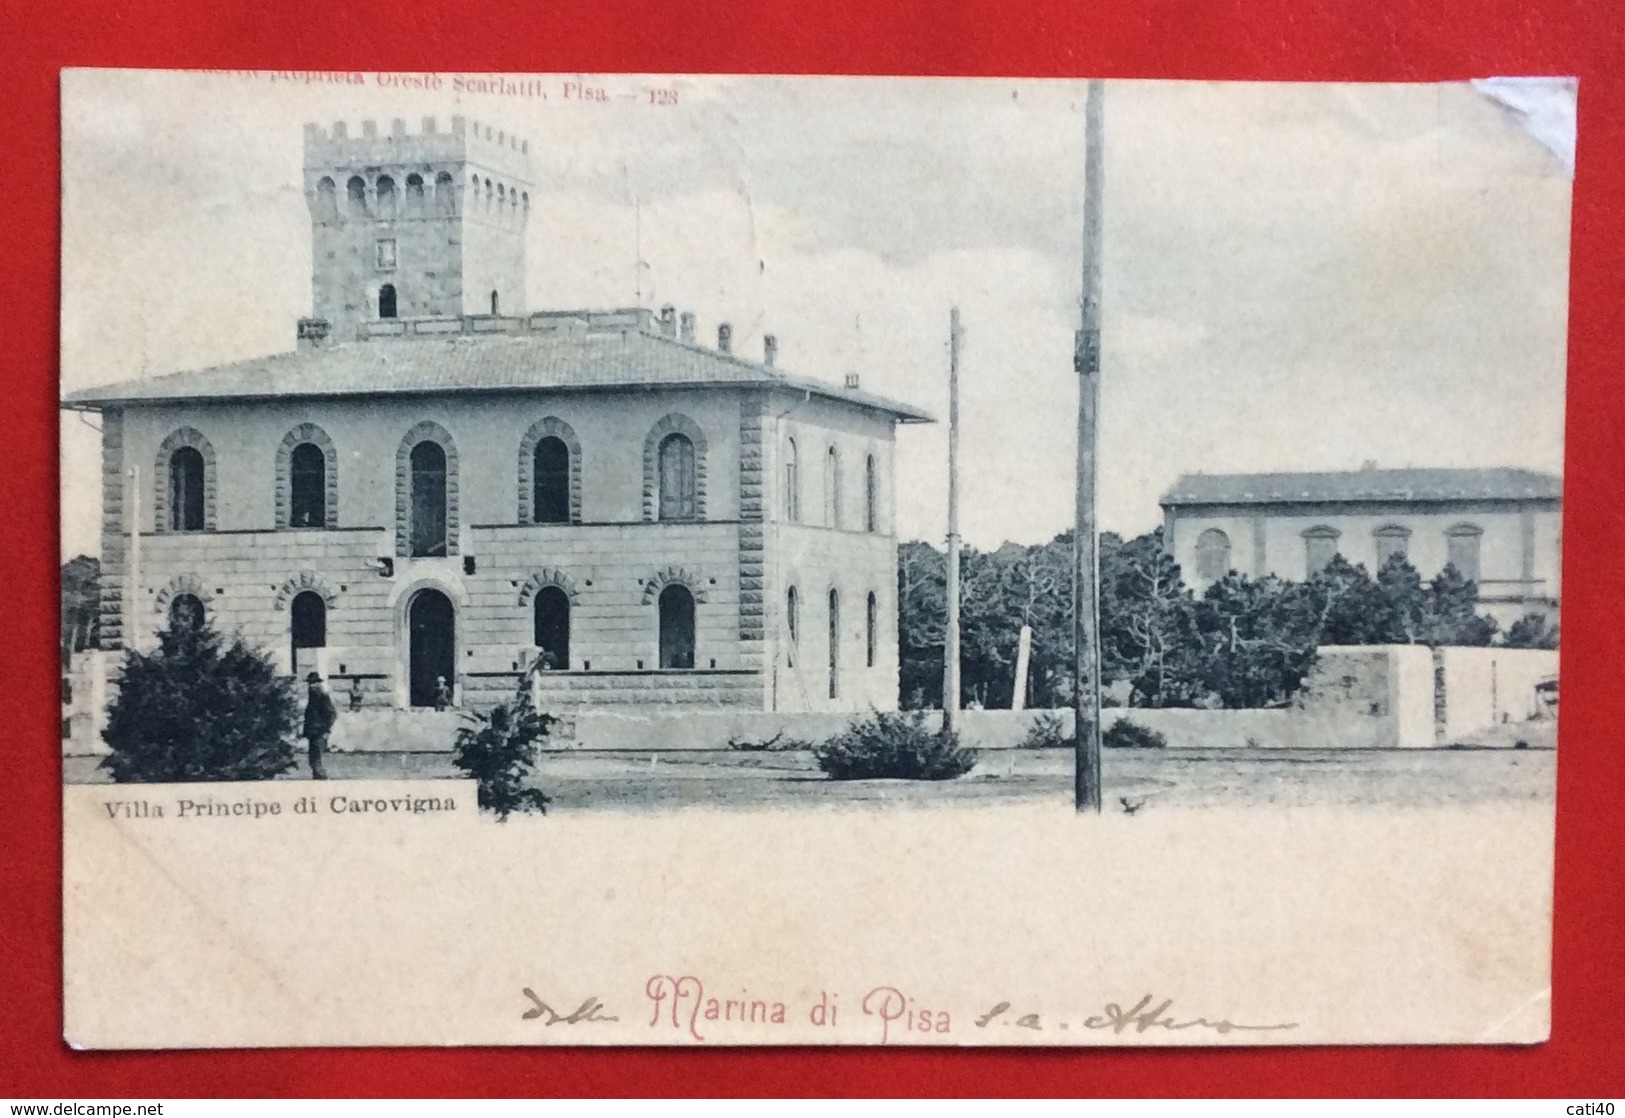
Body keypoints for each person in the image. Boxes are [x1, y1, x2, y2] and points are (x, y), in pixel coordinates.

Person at [303, 671, 337, 780]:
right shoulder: (313, 698)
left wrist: (325, 729)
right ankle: (317, 778)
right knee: (313, 758)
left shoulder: (322, 697)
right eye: (310, 683)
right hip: (313, 732)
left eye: (313, 683)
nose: (310, 686)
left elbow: (331, 714)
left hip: (319, 732)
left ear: (318, 684)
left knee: (317, 758)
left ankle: (321, 778)